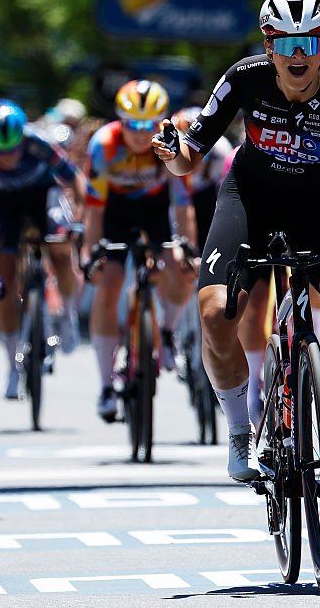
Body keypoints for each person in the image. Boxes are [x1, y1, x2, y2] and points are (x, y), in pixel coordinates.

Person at [151, 0, 320, 499]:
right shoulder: (244, 79)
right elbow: (188, 157)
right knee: (217, 314)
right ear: (268, 48)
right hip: (251, 200)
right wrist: (171, 154)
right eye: (285, 44)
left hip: (319, 207)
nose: (298, 55)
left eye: (310, 42)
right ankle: (241, 433)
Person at [83, 80, 198, 422]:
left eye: (148, 125)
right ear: (120, 120)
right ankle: (106, 384)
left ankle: (166, 332)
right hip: (114, 212)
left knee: (179, 267)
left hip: (154, 209)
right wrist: (92, 253)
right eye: (132, 124)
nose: (140, 133)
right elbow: (93, 208)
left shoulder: (168, 142)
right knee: (110, 282)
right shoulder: (103, 145)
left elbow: (182, 202)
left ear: (160, 122)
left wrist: (188, 247)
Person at [0, 99, 87, 399]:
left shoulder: (39, 143)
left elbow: (74, 178)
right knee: (5, 279)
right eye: (0, 152)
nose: (8, 158)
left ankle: (67, 314)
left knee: (62, 252)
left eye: (13, 149)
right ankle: (12, 366)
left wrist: (78, 218)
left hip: (42, 196)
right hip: (3, 206)